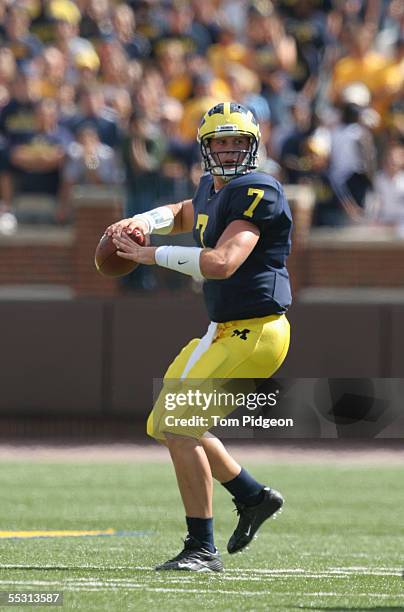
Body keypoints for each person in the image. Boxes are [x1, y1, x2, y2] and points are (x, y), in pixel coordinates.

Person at [106, 102, 292, 572]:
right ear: (206, 148)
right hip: (223, 331)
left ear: (253, 147)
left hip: (255, 331)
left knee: (177, 426)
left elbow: (222, 262)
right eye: (220, 142)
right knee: (164, 424)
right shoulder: (213, 186)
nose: (228, 151)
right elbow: (185, 210)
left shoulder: (257, 189)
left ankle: (201, 548)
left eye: (237, 142)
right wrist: (146, 221)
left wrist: (149, 256)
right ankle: (252, 496)